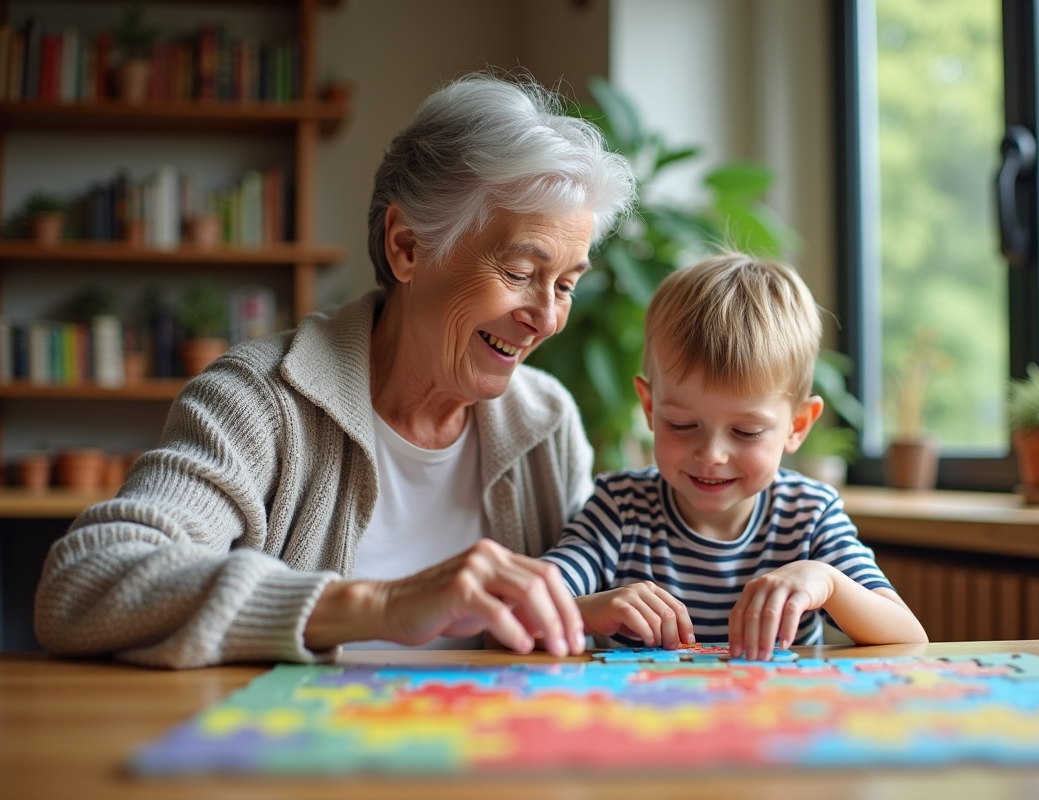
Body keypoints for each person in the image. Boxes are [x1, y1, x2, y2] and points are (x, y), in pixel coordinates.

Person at [34, 72, 636, 668]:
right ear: (407, 246)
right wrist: (383, 604)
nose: (547, 318)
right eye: (519, 272)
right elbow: (85, 584)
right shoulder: (257, 402)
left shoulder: (545, 420)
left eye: (565, 285)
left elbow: (594, 593)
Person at [540, 253, 928, 660]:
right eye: (682, 424)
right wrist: (585, 612)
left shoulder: (809, 515)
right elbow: (514, 617)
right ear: (650, 409)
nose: (711, 455)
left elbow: (910, 637)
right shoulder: (618, 509)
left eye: (746, 432)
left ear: (797, 426)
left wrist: (829, 582)